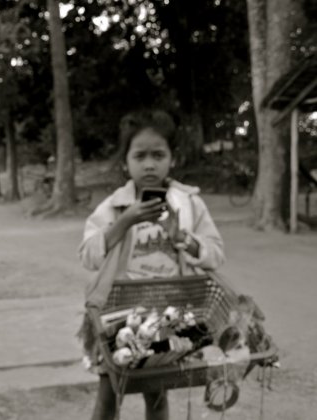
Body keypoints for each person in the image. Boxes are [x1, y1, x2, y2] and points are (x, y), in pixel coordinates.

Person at [78, 109, 225, 420]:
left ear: (172, 158)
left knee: (156, 395)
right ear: (125, 162)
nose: (149, 163)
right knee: (109, 395)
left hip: (166, 318)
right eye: (139, 155)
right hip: (118, 321)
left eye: (158, 154)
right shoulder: (114, 206)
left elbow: (215, 253)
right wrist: (125, 221)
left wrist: (183, 237)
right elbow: (88, 255)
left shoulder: (189, 203)